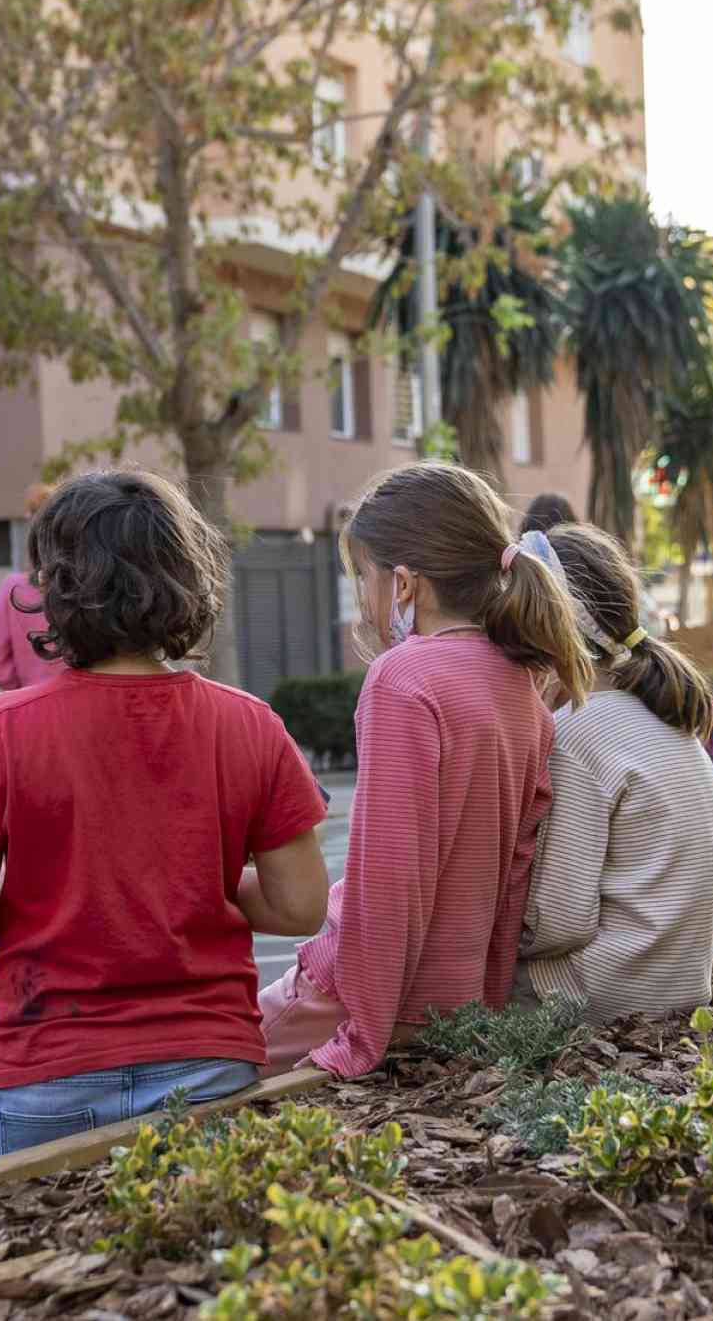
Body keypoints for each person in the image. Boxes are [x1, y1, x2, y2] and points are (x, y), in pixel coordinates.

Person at [0, 470, 332, 1157]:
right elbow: (300, 907)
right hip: (208, 1062)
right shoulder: (250, 726)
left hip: (47, 1069)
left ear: (54, 585)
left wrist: (62, 885)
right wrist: (192, 879)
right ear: (187, 580)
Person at [259, 462, 593, 1079]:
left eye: (363, 576)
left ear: (406, 585)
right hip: (454, 1003)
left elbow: (389, 879)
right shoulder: (522, 685)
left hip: (358, 1000)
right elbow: (512, 875)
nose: (362, 599)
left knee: (203, 1075)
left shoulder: (404, 680)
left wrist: (363, 1034)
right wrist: (482, 1006)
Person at [517, 522, 713, 1024]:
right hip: (683, 982)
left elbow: (556, 922)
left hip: (603, 994)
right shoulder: (668, 721)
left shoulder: (576, 737)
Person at [0, 484, 66, 693]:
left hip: (30, 704)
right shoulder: (87, 583)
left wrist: (26, 689)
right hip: (84, 704)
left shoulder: (12, 588)